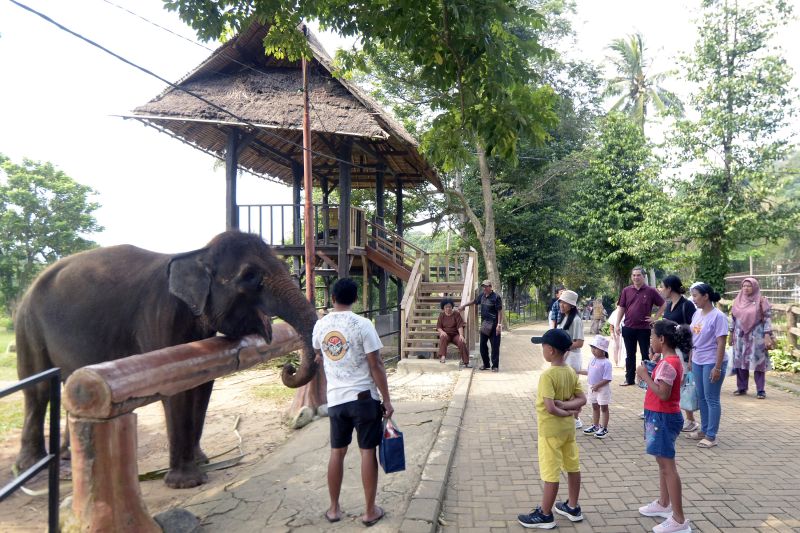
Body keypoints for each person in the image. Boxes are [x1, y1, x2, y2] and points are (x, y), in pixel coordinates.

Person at [313, 278, 393, 527]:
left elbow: (319, 353)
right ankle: (369, 511)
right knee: (366, 452)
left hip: (336, 400)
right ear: (356, 299)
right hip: (363, 399)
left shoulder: (321, 326)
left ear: (332, 298)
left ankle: (334, 509)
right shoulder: (362, 324)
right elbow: (376, 364)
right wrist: (387, 400)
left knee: (337, 452)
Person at [519, 329, 586, 529]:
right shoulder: (570, 372)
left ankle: (545, 514)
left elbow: (549, 407)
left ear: (550, 350)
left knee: (551, 472)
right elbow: (582, 399)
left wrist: (562, 409)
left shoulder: (547, 375)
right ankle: (572, 507)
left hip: (550, 432)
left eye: (543, 347)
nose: (542, 350)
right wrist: (569, 408)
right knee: (573, 467)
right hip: (568, 431)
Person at [637, 319, 692, 533]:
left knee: (668, 467)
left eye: (652, 337)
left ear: (661, 339)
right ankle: (663, 503)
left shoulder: (670, 363)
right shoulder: (667, 360)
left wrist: (644, 376)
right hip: (658, 416)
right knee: (662, 463)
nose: (650, 340)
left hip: (663, 418)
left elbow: (663, 393)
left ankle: (678, 519)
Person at [685, 283, 728, 449]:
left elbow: (721, 343)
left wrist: (717, 367)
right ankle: (703, 430)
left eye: (696, 296)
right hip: (697, 360)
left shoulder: (718, 317)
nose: (693, 299)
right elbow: (693, 339)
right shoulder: (697, 314)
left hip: (712, 361)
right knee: (701, 397)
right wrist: (690, 359)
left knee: (712, 399)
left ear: (706, 296)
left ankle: (711, 436)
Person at [658, 275, 698, 433]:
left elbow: (694, 330)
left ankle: (691, 419)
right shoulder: (669, 305)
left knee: (684, 383)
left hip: (683, 350)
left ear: (669, 288)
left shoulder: (687, 305)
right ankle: (679, 416)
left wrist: (691, 355)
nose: (661, 290)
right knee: (673, 383)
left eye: (663, 287)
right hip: (670, 350)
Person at [616, 266, 667, 386]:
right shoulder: (626, 291)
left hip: (644, 328)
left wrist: (655, 318)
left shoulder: (651, 291)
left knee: (645, 354)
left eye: (638, 275)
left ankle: (647, 380)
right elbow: (621, 308)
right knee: (630, 355)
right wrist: (617, 324)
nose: (636, 277)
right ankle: (629, 379)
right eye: (633, 275)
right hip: (628, 327)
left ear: (643, 277)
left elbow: (663, 304)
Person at [730, 278, 774, 399]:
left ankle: (760, 390)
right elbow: (733, 318)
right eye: (744, 286)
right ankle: (742, 387)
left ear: (754, 287)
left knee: (758, 362)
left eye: (749, 286)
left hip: (756, 336)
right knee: (740, 362)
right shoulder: (737, 300)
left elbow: (767, 319)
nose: (746, 288)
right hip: (740, 336)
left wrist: (767, 335)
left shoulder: (762, 300)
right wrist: (731, 334)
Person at [459, 279, 504, 372]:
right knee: (482, 346)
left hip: (494, 324)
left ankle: (495, 366)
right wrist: (464, 305)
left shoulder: (496, 297)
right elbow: (474, 301)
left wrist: (499, 324)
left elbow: (500, 311)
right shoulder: (482, 296)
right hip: (484, 324)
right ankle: (486, 364)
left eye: (486, 286)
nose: (485, 288)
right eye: (483, 286)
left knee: (495, 346)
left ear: (490, 287)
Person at [556, 290, 585, 429]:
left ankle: (576, 418)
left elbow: (579, 343)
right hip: (564, 356)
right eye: (561, 301)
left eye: (565, 302)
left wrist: (564, 348)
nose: (562, 304)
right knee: (563, 388)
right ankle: (567, 416)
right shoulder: (563, 318)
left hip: (572, 357)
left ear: (572, 305)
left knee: (572, 389)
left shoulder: (576, 320)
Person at [579, 335, 613, 439]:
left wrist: (598, 385)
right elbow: (589, 372)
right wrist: (577, 371)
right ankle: (595, 425)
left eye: (595, 348)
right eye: (592, 348)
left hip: (602, 389)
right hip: (592, 387)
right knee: (594, 406)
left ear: (603, 350)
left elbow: (608, 378)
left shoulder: (606, 363)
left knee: (603, 407)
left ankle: (604, 428)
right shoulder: (592, 359)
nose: (593, 350)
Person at [436, 297, 472, 368]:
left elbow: (459, 326)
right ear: (443, 307)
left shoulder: (456, 314)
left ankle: (466, 362)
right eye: (446, 307)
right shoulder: (441, 315)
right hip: (446, 335)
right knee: (443, 337)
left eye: (449, 307)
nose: (448, 309)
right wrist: (442, 332)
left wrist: (461, 335)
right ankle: (443, 356)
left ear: (452, 306)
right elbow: (438, 327)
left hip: (455, 335)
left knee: (461, 341)